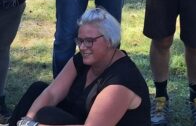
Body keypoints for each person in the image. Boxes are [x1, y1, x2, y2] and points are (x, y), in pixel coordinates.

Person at [11, 7, 151, 126]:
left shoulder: (122, 80)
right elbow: (52, 93)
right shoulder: (84, 59)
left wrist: (36, 125)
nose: (83, 47)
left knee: (47, 116)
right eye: (80, 40)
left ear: (110, 40)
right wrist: (27, 121)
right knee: (38, 89)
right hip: (81, 118)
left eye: (89, 41)